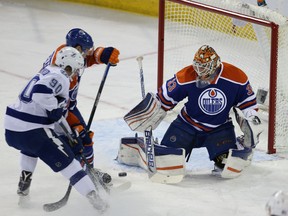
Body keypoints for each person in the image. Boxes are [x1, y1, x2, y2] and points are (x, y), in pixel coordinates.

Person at [124, 45, 262, 178]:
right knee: (166, 160)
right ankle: (140, 147)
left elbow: (248, 104)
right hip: (187, 126)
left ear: (216, 64)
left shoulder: (236, 77)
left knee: (227, 163)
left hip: (219, 129)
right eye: (198, 66)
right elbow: (162, 99)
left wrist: (251, 123)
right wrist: (149, 112)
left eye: (204, 67)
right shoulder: (186, 76)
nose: (200, 72)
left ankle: (238, 145)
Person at [4, 47, 107, 212]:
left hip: (13, 129)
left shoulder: (47, 71)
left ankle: (23, 189)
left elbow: (54, 116)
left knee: (30, 149)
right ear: (69, 66)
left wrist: (70, 136)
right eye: (76, 69)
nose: (75, 74)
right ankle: (101, 205)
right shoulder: (60, 76)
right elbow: (40, 95)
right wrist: (56, 111)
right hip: (31, 131)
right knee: (71, 164)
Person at [43, 28, 120, 168]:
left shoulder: (68, 54)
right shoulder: (61, 69)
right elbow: (54, 102)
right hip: (56, 111)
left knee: (84, 138)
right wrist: (72, 124)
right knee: (78, 140)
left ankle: (88, 172)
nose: (88, 53)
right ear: (78, 48)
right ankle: (82, 174)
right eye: (86, 50)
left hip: (67, 106)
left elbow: (88, 59)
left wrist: (102, 54)